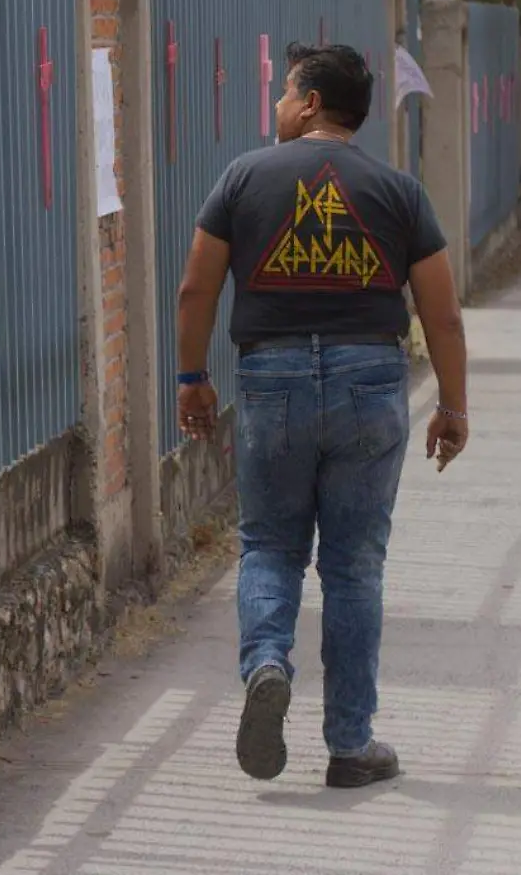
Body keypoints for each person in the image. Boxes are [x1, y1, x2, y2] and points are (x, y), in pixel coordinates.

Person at [173, 43, 471, 789]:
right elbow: (442, 313)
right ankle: (349, 743)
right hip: (370, 379)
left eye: (283, 91)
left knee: (270, 545)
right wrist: (453, 406)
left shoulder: (244, 176)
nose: (275, 105)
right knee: (353, 565)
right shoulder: (398, 191)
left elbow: (194, 290)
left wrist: (191, 379)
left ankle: (268, 661)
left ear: (309, 103)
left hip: (270, 377)